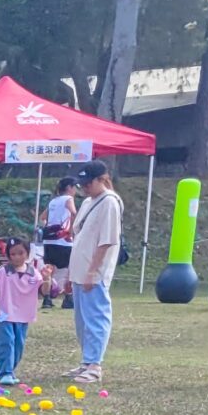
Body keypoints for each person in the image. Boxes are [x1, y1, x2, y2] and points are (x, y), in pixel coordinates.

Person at [64, 160, 123, 384]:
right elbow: (78, 237)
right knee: (82, 320)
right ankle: (86, 361)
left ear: (102, 179)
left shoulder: (109, 202)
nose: (85, 187)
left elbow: (107, 241)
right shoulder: (89, 201)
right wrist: (72, 273)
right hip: (79, 268)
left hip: (94, 271)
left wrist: (92, 271)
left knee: (96, 316)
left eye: (89, 183)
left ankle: (95, 363)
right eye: (82, 184)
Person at [0, 238, 49, 387]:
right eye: (13, 254)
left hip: (23, 316)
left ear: (27, 253)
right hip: (2, 315)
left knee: (18, 345)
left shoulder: (34, 273)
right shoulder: (2, 271)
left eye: (20, 253)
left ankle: (8, 370)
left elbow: (44, 291)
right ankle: (5, 372)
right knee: (5, 342)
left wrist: (47, 278)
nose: (17, 257)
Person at [40, 175, 77, 309]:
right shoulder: (68, 199)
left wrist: (49, 228)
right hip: (63, 241)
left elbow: (42, 218)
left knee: (49, 270)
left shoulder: (53, 201)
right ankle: (68, 298)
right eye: (74, 187)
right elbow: (74, 213)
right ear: (69, 188)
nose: (75, 191)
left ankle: (46, 299)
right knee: (70, 269)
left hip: (49, 241)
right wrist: (70, 231)